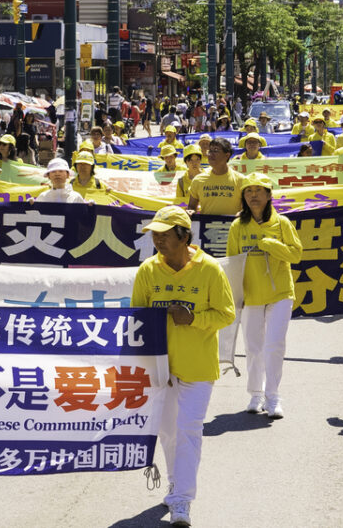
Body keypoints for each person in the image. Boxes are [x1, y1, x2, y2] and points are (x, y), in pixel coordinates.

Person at [131, 205, 234, 528]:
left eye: (164, 235)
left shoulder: (210, 269)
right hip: (161, 368)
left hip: (198, 367)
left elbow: (227, 313)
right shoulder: (148, 270)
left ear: (184, 236)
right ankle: (176, 485)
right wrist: (144, 364)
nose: (158, 240)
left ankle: (182, 500)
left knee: (189, 430)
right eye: (155, 235)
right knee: (167, 433)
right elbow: (136, 317)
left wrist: (193, 319)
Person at [228, 173, 302, 418]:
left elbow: (296, 254)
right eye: (249, 191)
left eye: (259, 191)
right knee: (253, 347)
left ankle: (273, 396)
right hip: (250, 295)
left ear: (269, 195)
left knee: (274, 345)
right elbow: (232, 262)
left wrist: (271, 245)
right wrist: (235, 295)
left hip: (280, 293)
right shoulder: (238, 226)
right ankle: (255, 394)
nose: (254, 196)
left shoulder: (282, 223)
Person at [188, 137, 245, 216]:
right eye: (210, 151)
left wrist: (242, 214)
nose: (210, 154)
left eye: (215, 150)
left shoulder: (240, 180)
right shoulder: (198, 180)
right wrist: (190, 211)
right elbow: (191, 207)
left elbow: (247, 208)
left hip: (233, 224)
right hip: (206, 224)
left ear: (227, 155)